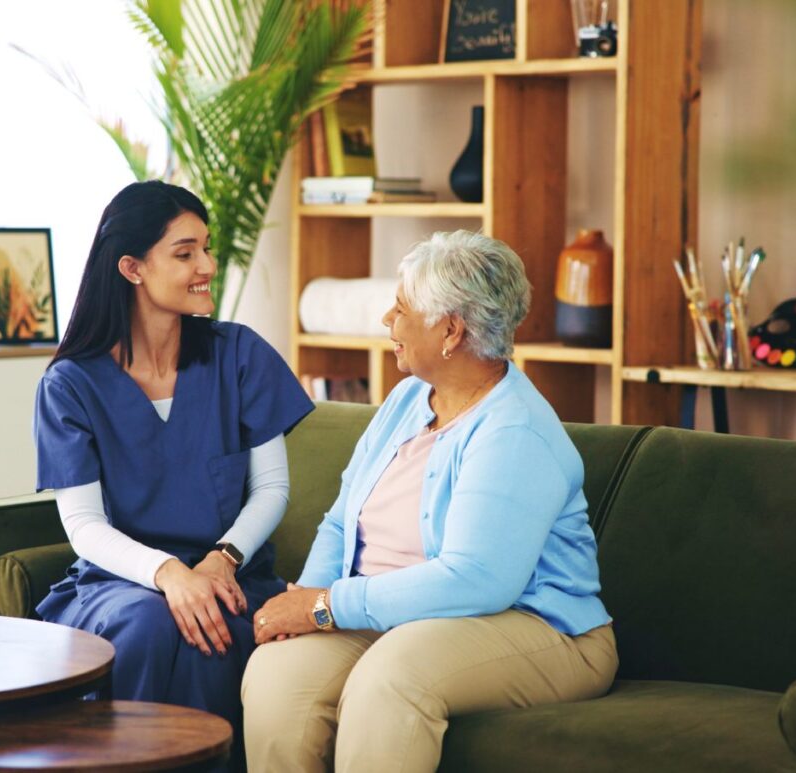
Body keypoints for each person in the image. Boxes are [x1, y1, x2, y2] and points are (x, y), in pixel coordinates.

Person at [242, 230, 618, 772]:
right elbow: (344, 518)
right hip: (398, 616)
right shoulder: (407, 398)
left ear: (450, 330)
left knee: (390, 679)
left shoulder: (513, 431)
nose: (386, 321)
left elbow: (476, 580)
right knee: (278, 676)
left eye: (401, 308)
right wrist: (305, 598)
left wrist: (326, 607)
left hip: (534, 627)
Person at [33, 180, 313, 768]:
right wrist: (168, 574)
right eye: (185, 254)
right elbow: (83, 525)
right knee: (151, 624)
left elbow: (271, 488)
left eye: (206, 249)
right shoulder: (71, 385)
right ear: (132, 268)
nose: (207, 266)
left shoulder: (240, 355)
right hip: (120, 584)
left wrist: (221, 559)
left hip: (229, 575)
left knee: (218, 629)